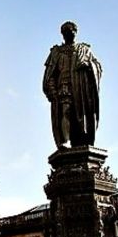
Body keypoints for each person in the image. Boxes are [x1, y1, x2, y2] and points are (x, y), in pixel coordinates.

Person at [43, 21, 102, 149]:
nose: (69, 34)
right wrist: (51, 88)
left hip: (81, 88)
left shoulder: (84, 50)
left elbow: (97, 66)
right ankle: (66, 140)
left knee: (80, 114)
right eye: (66, 33)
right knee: (66, 111)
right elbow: (50, 74)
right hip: (63, 85)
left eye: (72, 32)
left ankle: (83, 139)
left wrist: (88, 65)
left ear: (76, 33)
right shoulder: (56, 52)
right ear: (62, 35)